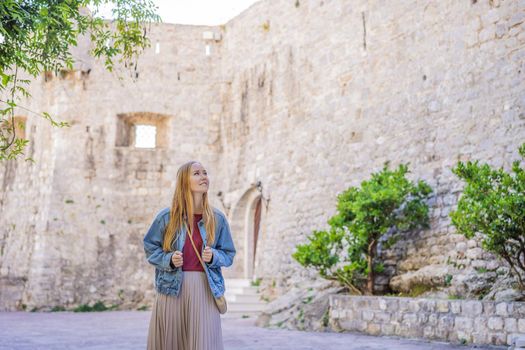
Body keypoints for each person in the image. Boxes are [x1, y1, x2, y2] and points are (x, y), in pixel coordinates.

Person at [143, 160, 236, 350]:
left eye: (205, 172)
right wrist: (168, 259)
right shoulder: (166, 217)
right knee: (171, 343)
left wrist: (214, 257)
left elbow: (228, 253)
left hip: (204, 289)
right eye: (196, 173)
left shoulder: (217, 219)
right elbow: (150, 247)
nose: (203, 176)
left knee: (204, 343)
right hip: (171, 289)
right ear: (184, 182)